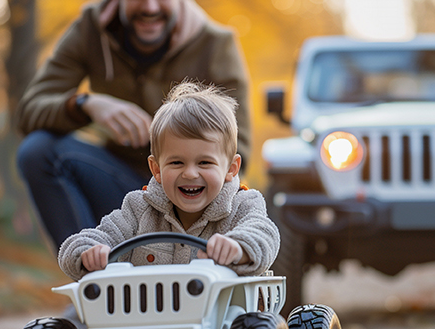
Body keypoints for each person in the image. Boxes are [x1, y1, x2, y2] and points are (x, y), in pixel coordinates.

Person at [15, 0, 252, 251]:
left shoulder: (215, 44)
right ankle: (89, 271)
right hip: (119, 185)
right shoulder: (90, 30)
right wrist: (86, 104)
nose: (150, 6)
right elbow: (29, 110)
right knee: (37, 151)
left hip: (189, 197)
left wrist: (186, 184)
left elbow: (239, 148)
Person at [57, 81, 278, 280]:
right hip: (149, 311)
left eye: (204, 163)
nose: (190, 173)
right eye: (176, 163)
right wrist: (89, 252)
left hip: (225, 312)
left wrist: (239, 248)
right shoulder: (139, 209)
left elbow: (265, 234)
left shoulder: (242, 205)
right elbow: (94, 238)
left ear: (231, 168)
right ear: (157, 169)